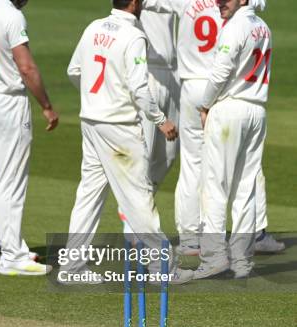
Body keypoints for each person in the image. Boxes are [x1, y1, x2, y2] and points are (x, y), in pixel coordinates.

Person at [65, 0, 193, 283]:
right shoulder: (134, 36)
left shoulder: (94, 27)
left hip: (92, 121)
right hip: (120, 126)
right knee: (139, 197)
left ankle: (71, 268)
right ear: (134, 4)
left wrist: (95, 98)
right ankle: (163, 270)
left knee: (89, 194)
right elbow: (139, 88)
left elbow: (74, 71)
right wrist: (161, 120)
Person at [142, 0, 284, 255]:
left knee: (192, 164)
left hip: (191, 86)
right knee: (244, 164)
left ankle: (189, 238)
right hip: (224, 87)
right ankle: (255, 233)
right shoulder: (235, 8)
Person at [0, 0, 59, 276]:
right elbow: (26, 68)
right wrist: (47, 106)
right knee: (11, 179)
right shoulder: (11, 16)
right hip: (7, 102)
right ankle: (13, 255)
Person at [195, 0, 272, 279]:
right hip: (256, 110)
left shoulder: (234, 27)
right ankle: (241, 261)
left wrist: (204, 105)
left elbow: (220, 73)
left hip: (229, 109)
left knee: (215, 186)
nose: (218, 1)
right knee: (245, 188)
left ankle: (214, 258)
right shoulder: (262, 26)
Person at [118, 8, 180, 236]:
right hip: (148, 70)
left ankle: (136, 207)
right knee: (145, 152)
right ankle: (132, 218)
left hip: (174, 72)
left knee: (169, 154)